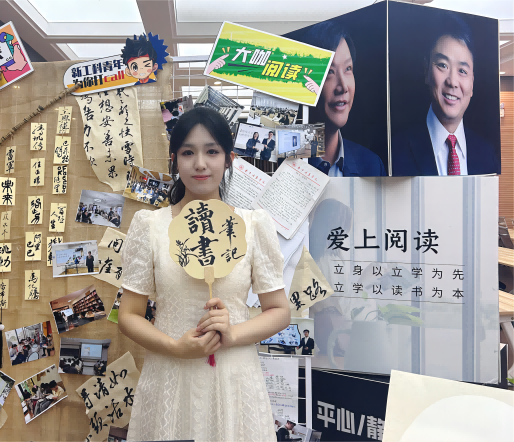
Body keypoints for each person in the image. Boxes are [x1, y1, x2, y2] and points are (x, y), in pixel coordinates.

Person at [118, 107, 290, 442]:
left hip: (233, 380)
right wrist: (175, 347)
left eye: (212, 151)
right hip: (170, 376)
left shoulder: (253, 225)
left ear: (229, 159)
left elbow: (279, 311)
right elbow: (128, 315)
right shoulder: (150, 226)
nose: (200, 163)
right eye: (188, 153)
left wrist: (233, 333)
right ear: (174, 160)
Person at [392, 12, 498, 176]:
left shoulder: (488, 155)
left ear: (472, 83)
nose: (453, 82)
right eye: (442, 65)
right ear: (426, 70)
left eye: (462, 71)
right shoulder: (395, 153)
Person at [301, 21, 387, 177]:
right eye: (329, 71)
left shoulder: (372, 166)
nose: (343, 87)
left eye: (348, 68)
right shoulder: (278, 163)